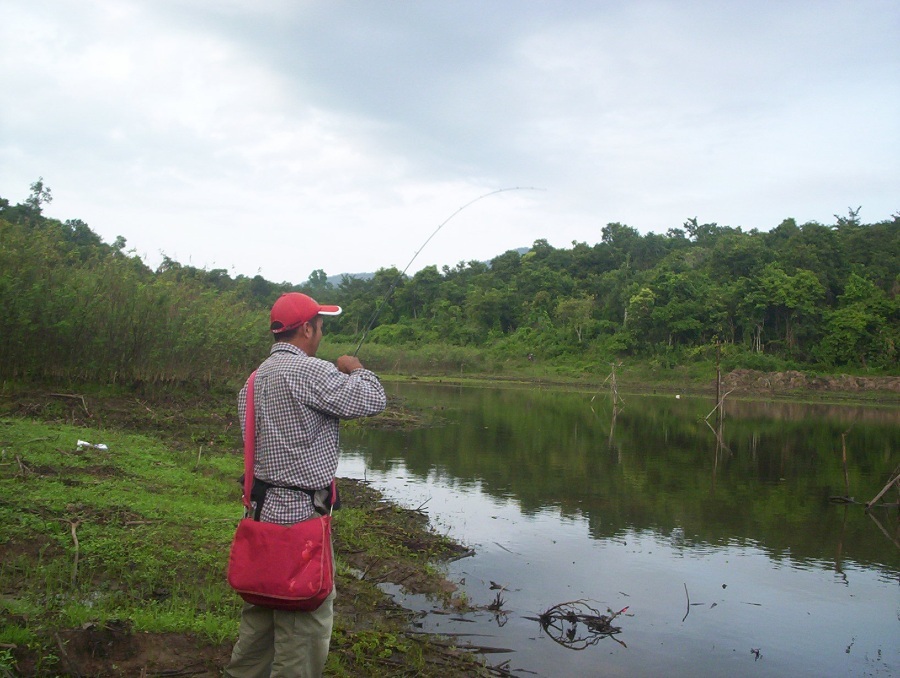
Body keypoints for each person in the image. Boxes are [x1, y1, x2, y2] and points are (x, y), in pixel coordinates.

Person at [225, 292, 386, 678]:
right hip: (301, 524)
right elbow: (372, 399)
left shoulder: (253, 380)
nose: (321, 334)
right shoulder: (311, 372)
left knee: (260, 621)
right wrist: (356, 368)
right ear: (308, 328)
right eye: (320, 326)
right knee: (303, 627)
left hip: (259, 515)